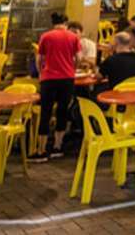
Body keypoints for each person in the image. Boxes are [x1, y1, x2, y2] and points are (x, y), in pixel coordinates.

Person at [32, 12, 80, 162]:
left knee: (46, 112)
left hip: (49, 78)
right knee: (62, 111)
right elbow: (78, 58)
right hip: (67, 78)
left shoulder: (46, 36)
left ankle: (41, 149)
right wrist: (72, 69)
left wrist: (41, 72)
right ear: (66, 22)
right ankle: (58, 147)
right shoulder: (73, 37)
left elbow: (39, 58)